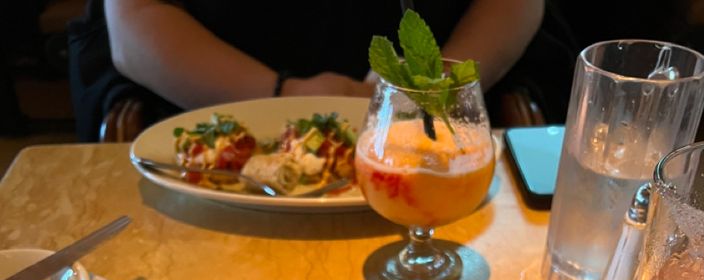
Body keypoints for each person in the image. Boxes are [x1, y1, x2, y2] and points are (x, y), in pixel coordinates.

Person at [69, 0, 574, 140]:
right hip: (211, 100)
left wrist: (426, 89)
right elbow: (133, 20)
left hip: (438, 110)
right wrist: (285, 96)